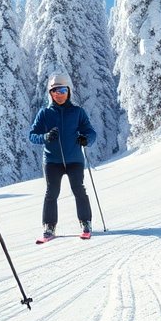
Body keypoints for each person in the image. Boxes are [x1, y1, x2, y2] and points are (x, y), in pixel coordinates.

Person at [27, 73, 98, 239]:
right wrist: (45, 137)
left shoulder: (77, 112)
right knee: (51, 192)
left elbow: (91, 132)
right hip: (52, 161)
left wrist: (85, 139)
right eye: (55, 91)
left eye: (63, 90)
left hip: (74, 160)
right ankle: (49, 227)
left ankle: (86, 222)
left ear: (69, 92)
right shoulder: (44, 113)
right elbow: (32, 135)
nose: (59, 94)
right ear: (50, 93)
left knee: (79, 189)